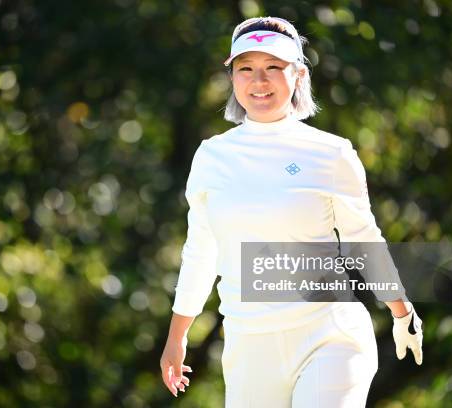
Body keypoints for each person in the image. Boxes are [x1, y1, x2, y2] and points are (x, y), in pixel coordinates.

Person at [160, 16, 423, 407]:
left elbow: (363, 239)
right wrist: (177, 336)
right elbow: (202, 251)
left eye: (273, 67)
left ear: (298, 74)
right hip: (250, 349)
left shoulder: (331, 153)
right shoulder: (211, 157)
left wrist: (402, 313)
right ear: (232, 78)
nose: (259, 81)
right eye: (246, 69)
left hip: (329, 338)